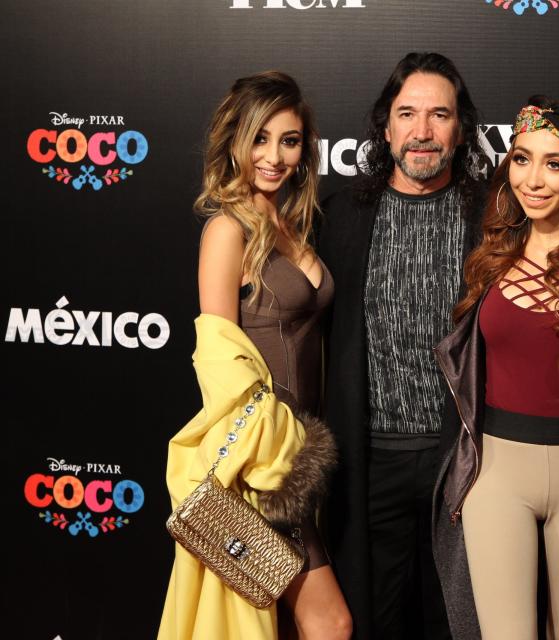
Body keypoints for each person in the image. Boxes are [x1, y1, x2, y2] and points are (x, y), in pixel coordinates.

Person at [159, 71, 351, 640]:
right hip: (264, 467)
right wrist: (272, 454)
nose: (273, 156)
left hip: (304, 458)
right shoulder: (227, 229)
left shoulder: (289, 225)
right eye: (259, 138)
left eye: (288, 140)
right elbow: (218, 361)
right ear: (235, 141)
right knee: (329, 623)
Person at [316, 52, 484, 640]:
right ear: (384, 127)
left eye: (440, 115)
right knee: (375, 620)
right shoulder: (341, 216)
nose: (422, 131)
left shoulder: (491, 215)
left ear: (461, 130)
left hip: (464, 465)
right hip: (370, 462)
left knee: (460, 622)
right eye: (407, 113)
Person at [433, 97, 559, 640]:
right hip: (497, 474)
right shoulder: (492, 253)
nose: (533, 179)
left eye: (555, 164)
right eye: (521, 158)